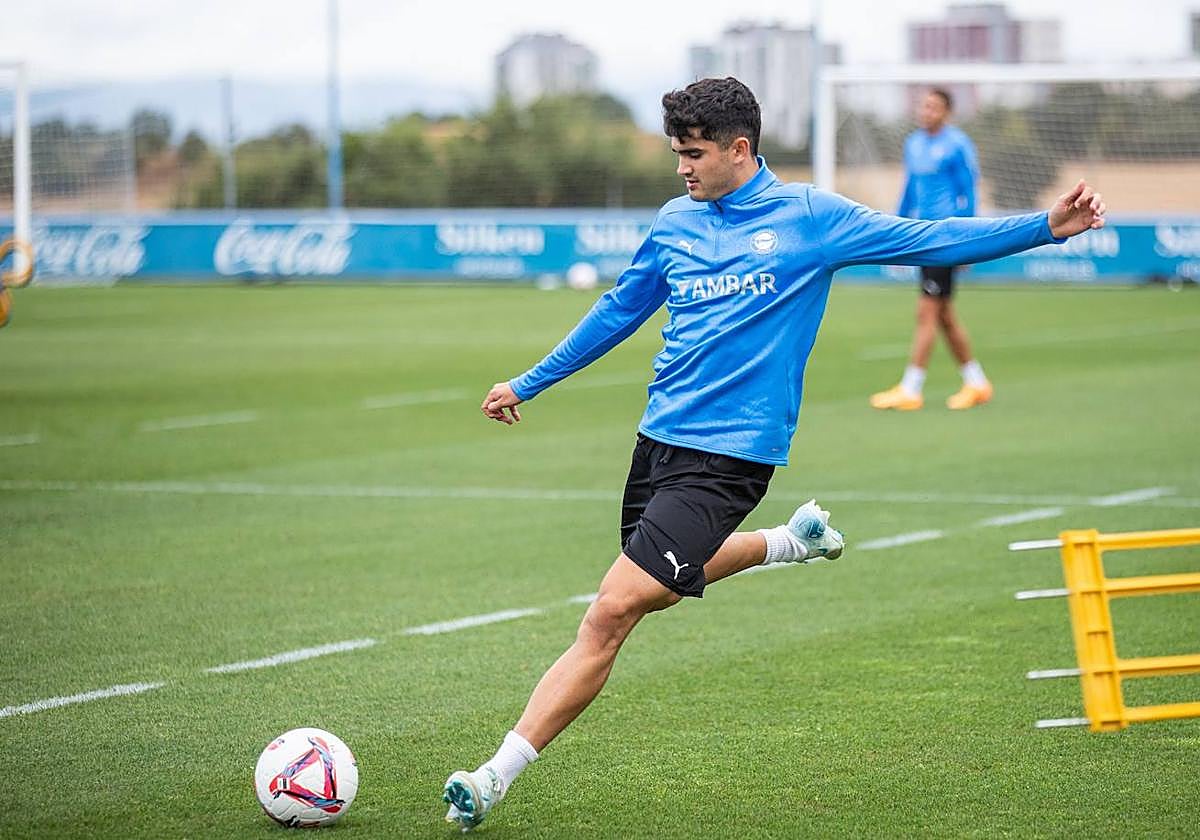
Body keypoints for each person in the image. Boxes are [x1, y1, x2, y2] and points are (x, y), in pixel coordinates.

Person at [442, 77, 1105, 832]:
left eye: (693, 154)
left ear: (739, 149)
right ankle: (792, 542)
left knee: (612, 612)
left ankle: (493, 777)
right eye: (675, 155)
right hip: (657, 441)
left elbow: (928, 236)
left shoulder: (811, 219)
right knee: (658, 585)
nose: (682, 169)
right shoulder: (674, 222)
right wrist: (529, 381)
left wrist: (1045, 227)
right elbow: (617, 311)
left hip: (730, 458)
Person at [870, 87, 991, 412]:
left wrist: (967, 241)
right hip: (921, 236)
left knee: (926, 312)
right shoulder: (914, 144)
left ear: (947, 112)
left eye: (934, 107)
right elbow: (909, 190)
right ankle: (977, 383)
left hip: (947, 238)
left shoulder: (957, 145)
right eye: (924, 106)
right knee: (944, 315)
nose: (927, 111)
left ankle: (911, 388)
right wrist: (895, 229)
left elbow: (969, 193)